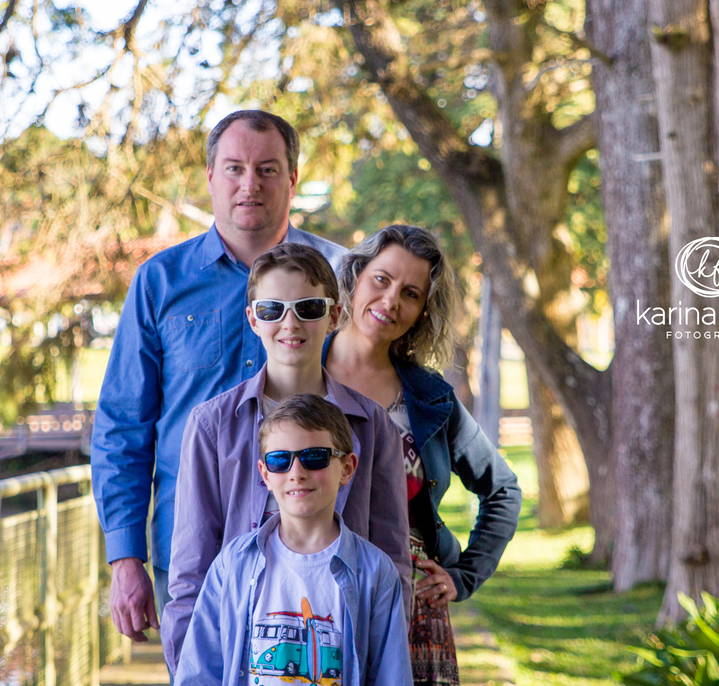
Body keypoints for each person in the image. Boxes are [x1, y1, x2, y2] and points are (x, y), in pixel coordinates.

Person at [91, 110, 346, 642]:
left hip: (322, 546)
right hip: (191, 554)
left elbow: (383, 402)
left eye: (268, 169)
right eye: (234, 168)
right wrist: (125, 558)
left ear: (293, 179)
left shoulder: (342, 275)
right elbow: (122, 428)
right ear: (209, 177)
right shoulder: (160, 282)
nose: (249, 183)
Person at [163, 243, 411, 677]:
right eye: (273, 308)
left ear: (334, 316)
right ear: (253, 318)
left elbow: (393, 559)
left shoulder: (373, 427)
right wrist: (187, 664)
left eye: (309, 307)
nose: (290, 323)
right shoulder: (211, 426)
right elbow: (191, 573)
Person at [322, 225, 522, 686]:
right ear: (355, 276)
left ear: (421, 312)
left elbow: (503, 490)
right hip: (310, 597)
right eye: (382, 279)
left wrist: (464, 576)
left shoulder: (431, 398)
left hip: (412, 608)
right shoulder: (298, 374)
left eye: (410, 293)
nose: (391, 300)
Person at [174, 393, 412, 686]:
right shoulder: (232, 565)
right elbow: (199, 672)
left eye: (315, 457)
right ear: (265, 474)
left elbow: (392, 676)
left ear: (347, 468)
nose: (296, 473)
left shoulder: (375, 572)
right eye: (279, 460)